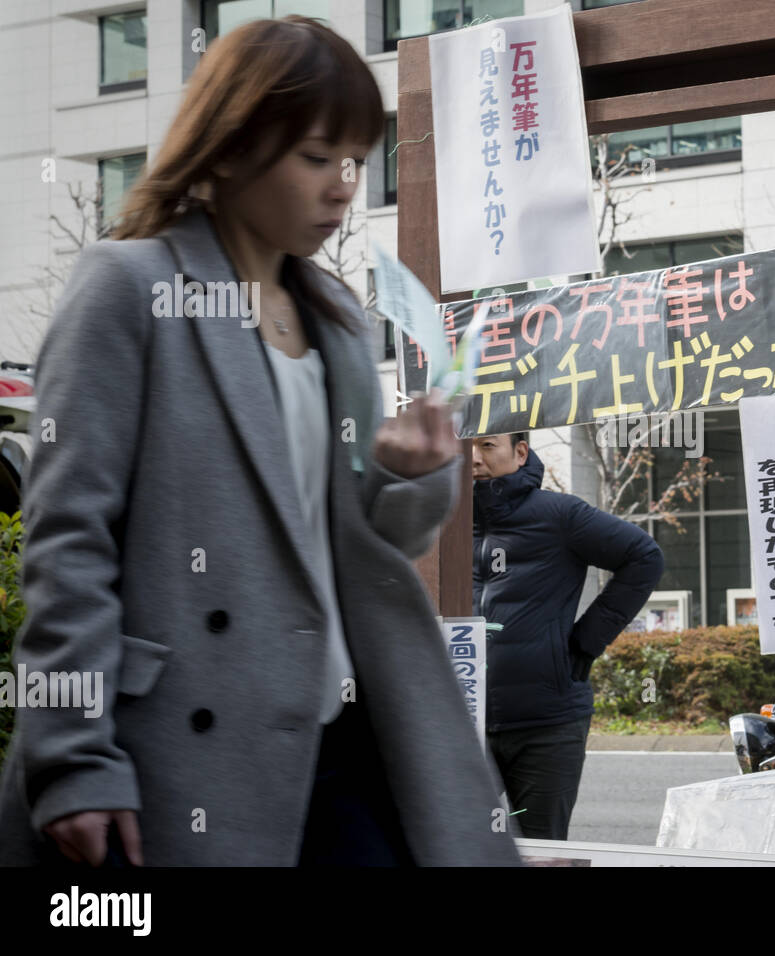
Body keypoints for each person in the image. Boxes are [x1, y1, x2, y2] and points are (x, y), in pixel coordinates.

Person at [0, 16, 518, 867]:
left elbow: (354, 546)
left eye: (354, 159)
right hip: (183, 745)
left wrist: (407, 472)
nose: (343, 187)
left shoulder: (338, 320)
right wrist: (74, 757)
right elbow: (68, 540)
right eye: (316, 157)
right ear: (232, 146)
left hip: (347, 729)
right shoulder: (129, 287)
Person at [471, 431, 664, 839]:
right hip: (463, 722)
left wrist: (585, 642)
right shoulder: (443, 523)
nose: (474, 458)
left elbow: (643, 556)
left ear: (520, 452)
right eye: (465, 446)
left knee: (542, 851)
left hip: (547, 723)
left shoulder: (558, 515)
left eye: (487, 445)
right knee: (462, 845)